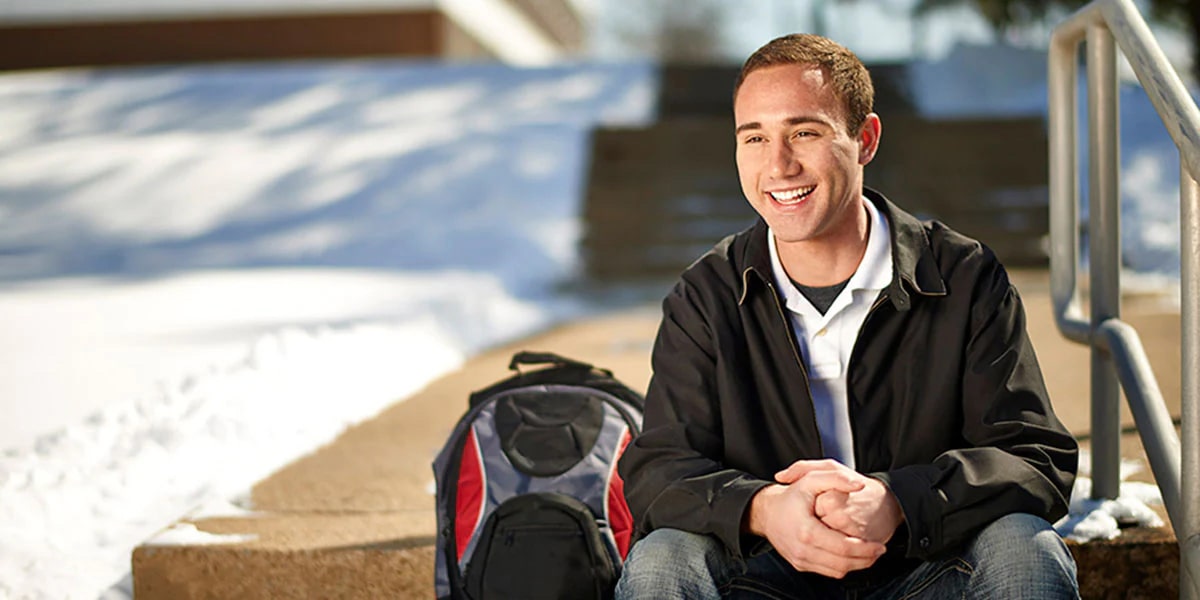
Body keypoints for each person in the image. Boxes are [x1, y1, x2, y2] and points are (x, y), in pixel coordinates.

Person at [615, 33, 1080, 599]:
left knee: (1022, 547)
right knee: (663, 558)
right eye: (755, 138)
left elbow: (1033, 455)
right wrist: (764, 510)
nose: (778, 164)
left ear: (865, 139)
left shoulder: (963, 276)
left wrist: (900, 501)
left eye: (803, 132)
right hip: (767, 576)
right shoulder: (705, 295)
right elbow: (659, 468)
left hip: (928, 567)